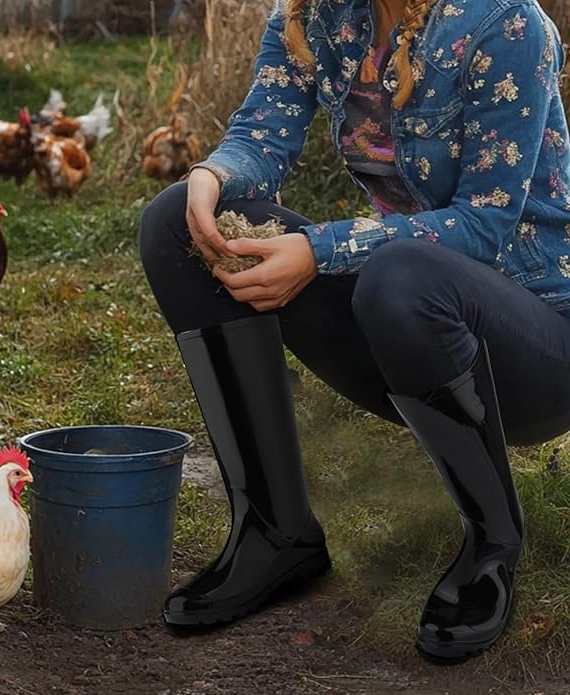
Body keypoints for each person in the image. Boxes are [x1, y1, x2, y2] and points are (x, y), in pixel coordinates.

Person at [139, 0, 570, 662]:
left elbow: (484, 223)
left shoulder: (503, 22)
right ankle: (275, 534)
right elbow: (260, 136)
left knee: (400, 274)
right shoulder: (316, 14)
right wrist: (212, 176)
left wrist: (320, 251)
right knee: (174, 223)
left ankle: (492, 546)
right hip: (407, 327)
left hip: (537, 344)